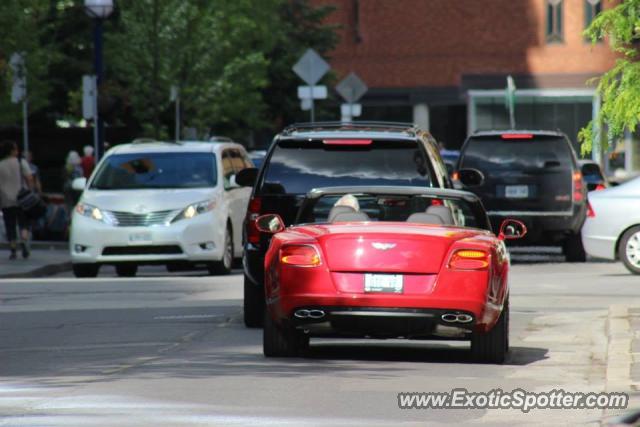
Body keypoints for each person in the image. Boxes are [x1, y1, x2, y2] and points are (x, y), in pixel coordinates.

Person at [0, 140, 34, 259]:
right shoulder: (20, 162)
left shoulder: (1, 165)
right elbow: (29, 177)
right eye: (15, 149)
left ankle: (13, 249)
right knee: (23, 223)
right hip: (22, 199)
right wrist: (31, 191)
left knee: (10, 224)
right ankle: (24, 242)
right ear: (12, 151)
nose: (17, 151)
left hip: (6, 200)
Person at [62, 150, 84, 216]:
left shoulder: (66, 167)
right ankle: (78, 215)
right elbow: (81, 176)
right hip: (78, 188)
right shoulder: (79, 168)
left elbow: (63, 177)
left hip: (67, 187)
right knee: (78, 203)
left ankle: (69, 217)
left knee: (69, 204)